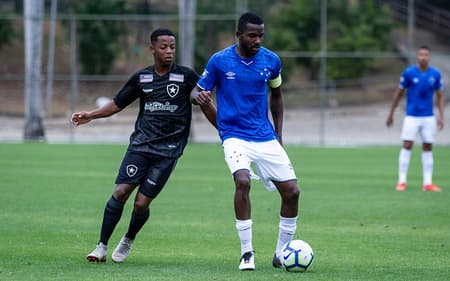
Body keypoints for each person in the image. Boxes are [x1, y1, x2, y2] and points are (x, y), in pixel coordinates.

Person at [71, 28, 205, 263]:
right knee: (121, 191)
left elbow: (198, 95)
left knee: (141, 203)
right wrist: (91, 115)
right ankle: (101, 246)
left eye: (172, 47)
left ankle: (129, 238)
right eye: (163, 47)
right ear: (152, 49)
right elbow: (116, 104)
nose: (169, 51)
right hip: (140, 146)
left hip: (168, 151)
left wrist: (199, 100)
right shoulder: (141, 78)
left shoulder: (186, 76)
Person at [191, 12, 300, 271]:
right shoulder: (220, 61)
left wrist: (279, 135)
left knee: (293, 192)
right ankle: (247, 253)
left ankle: (281, 252)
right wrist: (199, 98)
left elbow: (277, 96)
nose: (258, 40)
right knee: (242, 181)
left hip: (265, 136)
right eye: (252, 35)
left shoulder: (271, 61)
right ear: (238, 35)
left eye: (261, 35)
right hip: (234, 136)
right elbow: (196, 90)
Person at [386, 45, 445, 192]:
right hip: (411, 116)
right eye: (420, 54)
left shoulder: (435, 74)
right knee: (407, 144)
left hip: (428, 116)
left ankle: (427, 183)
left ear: (429, 57)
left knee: (428, 147)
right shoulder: (409, 73)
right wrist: (391, 113)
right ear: (417, 56)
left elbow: (440, 96)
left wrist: (441, 116)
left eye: (426, 54)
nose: (423, 57)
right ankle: (402, 181)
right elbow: (398, 93)